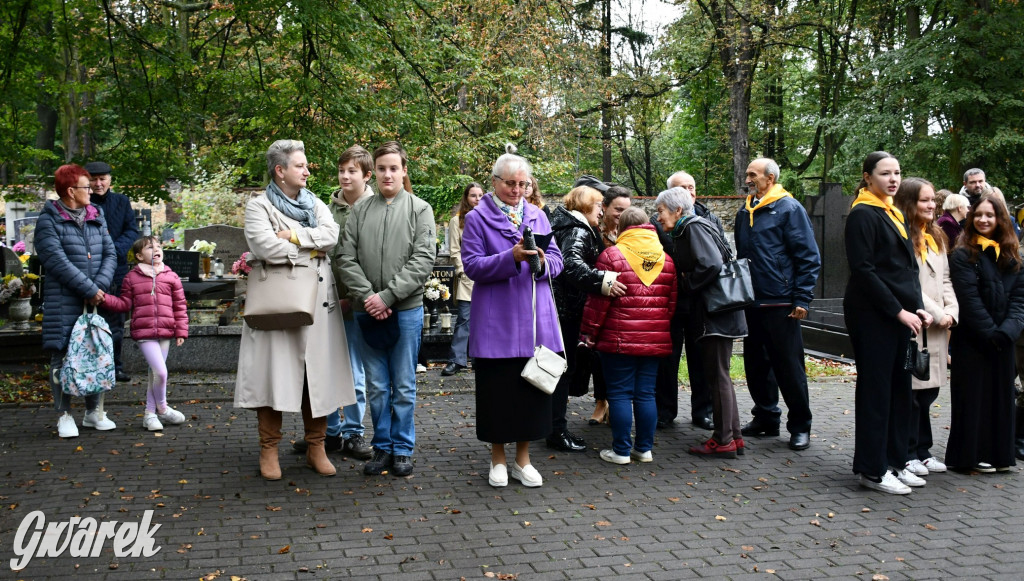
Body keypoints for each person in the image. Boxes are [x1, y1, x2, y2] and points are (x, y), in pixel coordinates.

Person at [234, 140, 356, 480]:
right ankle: (268, 448)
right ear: (280, 170)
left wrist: (293, 236)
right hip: (277, 302)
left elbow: (331, 235)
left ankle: (316, 446)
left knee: (316, 376)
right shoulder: (258, 205)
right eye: (300, 165)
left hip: (318, 303)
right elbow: (263, 245)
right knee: (272, 373)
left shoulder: (315, 202)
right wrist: (308, 248)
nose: (306, 171)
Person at [461, 144, 563, 487]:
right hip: (496, 321)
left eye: (524, 184)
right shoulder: (476, 218)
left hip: (535, 320)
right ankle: (498, 459)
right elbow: (472, 266)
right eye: (510, 184)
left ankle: (523, 459)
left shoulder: (539, 215)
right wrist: (512, 257)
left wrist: (544, 262)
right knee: (498, 393)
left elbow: (558, 261)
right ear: (494, 182)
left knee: (529, 392)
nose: (517, 191)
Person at [337, 141, 436, 477]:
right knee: (378, 386)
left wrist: (389, 296)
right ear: (374, 172)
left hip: (405, 310)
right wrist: (368, 296)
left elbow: (423, 259)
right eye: (381, 168)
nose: (387, 174)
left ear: (404, 170)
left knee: (404, 384)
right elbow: (345, 258)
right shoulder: (359, 212)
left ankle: (403, 448)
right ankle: (382, 447)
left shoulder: (420, 209)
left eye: (394, 168)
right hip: (367, 310)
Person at [844, 151, 933, 495]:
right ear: (868, 177)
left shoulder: (892, 211)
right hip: (873, 317)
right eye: (885, 173)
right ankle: (872, 469)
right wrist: (899, 311)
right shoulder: (863, 214)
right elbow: (864, 271)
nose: (893, 179)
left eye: (897, 172)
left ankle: (894, 461)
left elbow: (904, 270)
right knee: (876, 393)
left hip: (899, 316)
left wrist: (918, 307)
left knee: (899, 391)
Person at [292, 145, 375, 460]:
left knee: (353, 370)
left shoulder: (375, 208)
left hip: (355, 304)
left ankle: (354, 432)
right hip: (326, 302)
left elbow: (369, 260)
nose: (344, 176)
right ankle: (329, 432)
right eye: (341, 171)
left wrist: (352, 297)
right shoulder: (327, 209)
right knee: (323, 368)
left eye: (352, 171)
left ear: (366, 176)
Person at [734, 158, 821, 451]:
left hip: (782, 302)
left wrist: (802, 298)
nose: (747, 179)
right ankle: (766, 418)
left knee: (789, 367)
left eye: (753, 175)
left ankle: (800, 426)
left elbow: (808, 257)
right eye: (747, 174)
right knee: (756, 366)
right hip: (752, 302)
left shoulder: (789, 209)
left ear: (769, 178)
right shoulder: (744, 211)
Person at [580, 207, 676, 464]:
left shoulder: (611, 255)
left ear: (621, 227)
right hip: (653, 340)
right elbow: (671, 304)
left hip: (618, 338)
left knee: (620, 393)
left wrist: (588, 333)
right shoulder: (666, 259)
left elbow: (597, 303)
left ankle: (621, 451)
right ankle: (644, 449)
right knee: (646, 394)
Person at [656, 187, 747, 458]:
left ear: (678, 210)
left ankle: (723, 440)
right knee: (720, 376)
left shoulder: (692, 228)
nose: (658, 217)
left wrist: (685, 283)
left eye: (660, 211)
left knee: (717, 377)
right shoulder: (695, 226)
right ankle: (734, 437)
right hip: (719, 313)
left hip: (714, 314)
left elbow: (711, 265)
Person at [36, 164, 117, 438]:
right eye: (86, 185)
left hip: (95, 297)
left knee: (95, 352)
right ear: (70, 191)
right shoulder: (49, 220)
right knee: (62, 356)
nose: (93, 189)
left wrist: (100, 287)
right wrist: (89, 289)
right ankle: (64, 415)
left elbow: (110, 253)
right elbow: (56, 261)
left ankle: (93, 412)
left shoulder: (97, 214)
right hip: (64, 301)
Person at [945, 193, 1024, 473]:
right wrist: (991, 333)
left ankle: (999, 455)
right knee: (973, 398)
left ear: (1000, 219)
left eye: (990, 215)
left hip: (1003, 340)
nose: (983, 219)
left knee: (1000, 397)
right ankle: (968, 456)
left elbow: (1020, 299)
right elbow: (969, 299)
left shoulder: (1012, 255)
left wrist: (1007, 332)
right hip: (974, 340)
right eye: (978, 215)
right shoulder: (963, 253)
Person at [548, 184, 625, 452]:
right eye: (599, 205)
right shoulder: (578, 229)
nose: (602, 211)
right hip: (567, 311)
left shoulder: (566, 225)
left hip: (560, 309)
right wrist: (604, 280)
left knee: (557, 370)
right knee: (561, 372)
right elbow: (571, 266)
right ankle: (556, 431)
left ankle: (552, 427)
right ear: (584, 206)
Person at [892, 178, 958, 476]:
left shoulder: (937, 236)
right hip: (917, 322)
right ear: (909, 202)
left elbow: (945, 280)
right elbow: (909, 284)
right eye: (924, 200)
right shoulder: (902, 236)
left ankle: (923, 449)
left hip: (940, 326)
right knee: (912, 393)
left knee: (929, 392)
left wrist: (952, 312)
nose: (932, 205)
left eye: (934, 200)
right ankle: (907, 451)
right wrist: (937, 313)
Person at [656, 171, 724, 431]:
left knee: (701, 358)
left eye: (692, 187)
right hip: (670, 301)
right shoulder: (658, 221)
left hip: (701, 300)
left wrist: (690, 280)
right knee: (667, 359)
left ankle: (702, 412)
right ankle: (665, 411)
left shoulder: (708, 218)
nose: (690, 192)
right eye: (683, 188)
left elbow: (716, 256)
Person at [101, 236, 189, 431]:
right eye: (150, 247)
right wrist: (104, 299)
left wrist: (181, 330)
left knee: (154, 374)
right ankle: (163, 409)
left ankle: (150, 415)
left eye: (158, 246)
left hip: (166, 332)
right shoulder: (131, 278)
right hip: (144, 332)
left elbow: (180, 306)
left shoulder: (171, 276)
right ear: (140, 256)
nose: (156, 249)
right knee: (161, 372)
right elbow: (124, 304)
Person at [85, 161, 138, 383]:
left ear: (110, 180)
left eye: (102, 179)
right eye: (94, 179)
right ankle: (91, 366)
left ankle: (115, 366)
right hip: (89, 270)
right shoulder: (82, 203)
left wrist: (114, 250)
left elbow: (131, 230)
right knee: (90, 319)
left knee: (115, 321)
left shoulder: (121, 201)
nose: (98, 183)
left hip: (116, 270)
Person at [586, 185, 631, 425]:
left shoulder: (631, 230)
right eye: (617, 209)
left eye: (626, 210)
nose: (621, 215)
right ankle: (601, 401)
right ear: (604, 207)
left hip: (625, 300)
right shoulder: (595, 231)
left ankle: (617, 402)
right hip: (600, 296)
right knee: (597, 355)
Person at [442, 182, 484, 377]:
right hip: (468, 276)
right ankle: (456, 360)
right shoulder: (457, 221)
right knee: (464, 319)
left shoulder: (488, 218)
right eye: (473, 195)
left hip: (487, 275)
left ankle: (480, 359)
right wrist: (461, 271)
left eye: (480, 195)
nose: (477, 199)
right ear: (466, 198)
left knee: (485, 320)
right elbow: (454, 250)